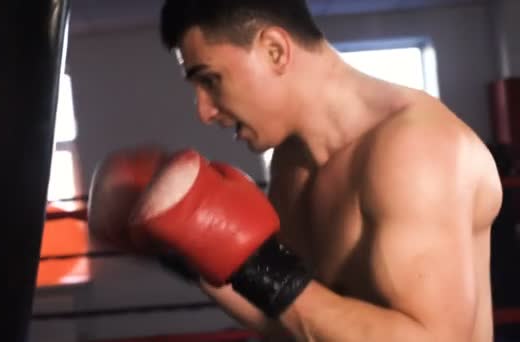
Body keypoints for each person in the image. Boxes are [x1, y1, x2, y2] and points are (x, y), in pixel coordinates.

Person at [89, 1, 503, 340]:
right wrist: (188, 252)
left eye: (210, 80)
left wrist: (261, 270)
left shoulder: (416, 151)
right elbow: (293, 322)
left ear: (274, 50)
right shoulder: (293, 164)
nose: (204, 111)